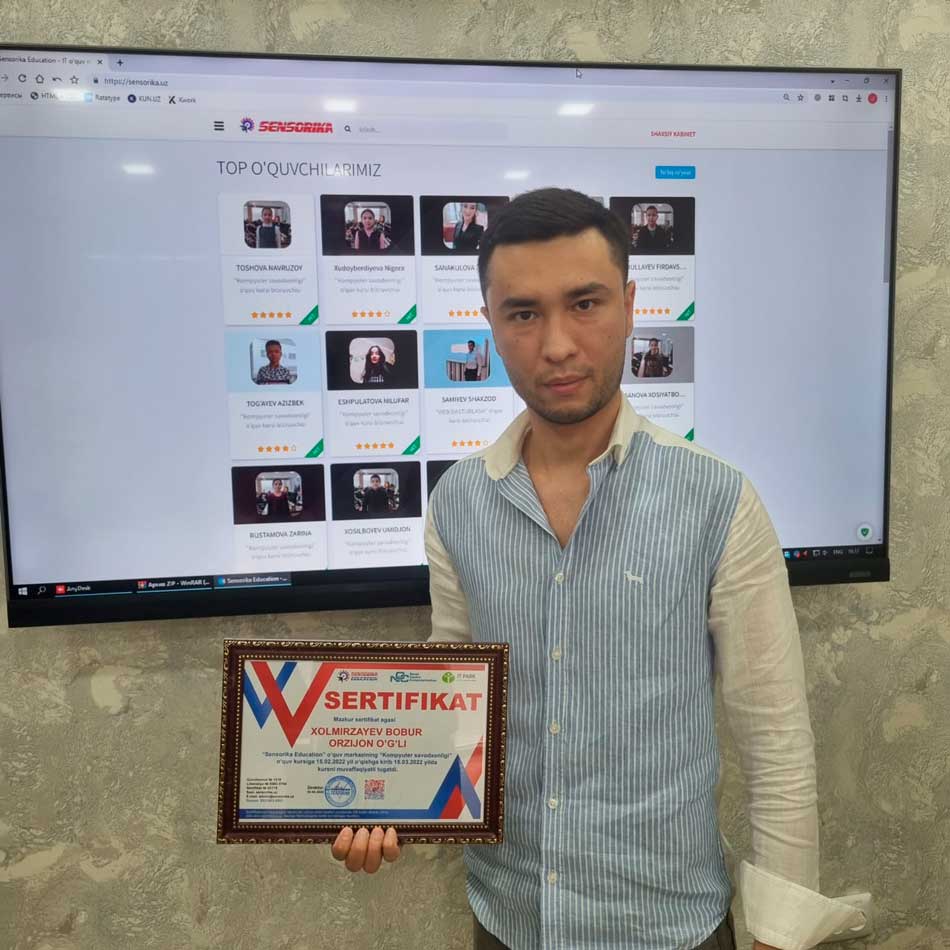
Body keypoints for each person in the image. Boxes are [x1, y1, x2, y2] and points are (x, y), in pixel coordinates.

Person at [330, 189, 862, 950]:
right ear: (489, 323)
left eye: (585, 304)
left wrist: (780, 937)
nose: (556, 345)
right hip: (508, 922)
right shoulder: (457, 503)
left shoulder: (718, 500)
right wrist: (389, 800)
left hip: (669, 929)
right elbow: (455, 698)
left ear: (631, 304)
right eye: (523, 313)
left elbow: (776, 742)